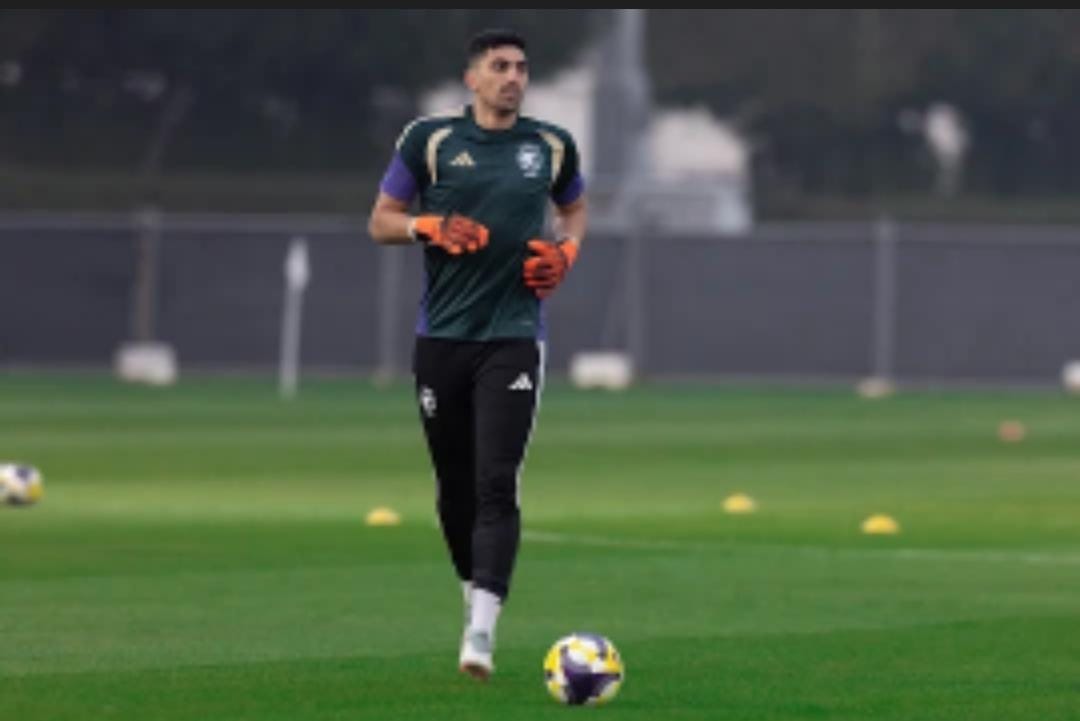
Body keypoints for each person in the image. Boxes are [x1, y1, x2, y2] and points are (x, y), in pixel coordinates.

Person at [367, 28, 587, 681]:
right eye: (500, 66)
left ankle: (481, 630)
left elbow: (575, 211)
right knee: (454, 486)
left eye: (521, 67)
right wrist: (426, 226)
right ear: (473, 78)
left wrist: (566, 253)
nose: (513, 77)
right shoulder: (429, 140)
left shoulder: (551, 146)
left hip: (514, 337)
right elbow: (380, 219)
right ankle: (474, 589)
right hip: (442, 339)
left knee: (497, 481)